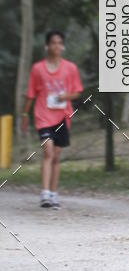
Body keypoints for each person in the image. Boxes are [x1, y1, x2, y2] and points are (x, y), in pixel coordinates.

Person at [21, 30, 84, 209]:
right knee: (47, 150)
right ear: (46, 46)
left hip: (63, 116)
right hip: (43, 116)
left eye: (59, 43)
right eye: (53, 43)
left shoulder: (70, 68)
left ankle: (54, 193)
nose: (56, 46)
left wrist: (66, 97)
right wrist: (24, 115)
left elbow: (78, 92)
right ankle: (45, 193)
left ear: (62, 46)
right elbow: (30, 94)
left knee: (56, 156)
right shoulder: (37, 69)